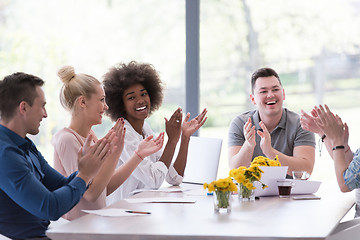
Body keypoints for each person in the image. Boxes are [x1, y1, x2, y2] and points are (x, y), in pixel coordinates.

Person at [0, 72, 114, 239]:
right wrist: (85, 174)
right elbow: (49, 207)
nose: (45, 114)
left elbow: (61, 184)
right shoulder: (5, 155)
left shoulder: (25, 144)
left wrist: (90, 165)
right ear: (23, 107)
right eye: (42, 106)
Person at [52, 66, 164, 220]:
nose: (106, 106)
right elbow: (90, 194)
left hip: (94, 224)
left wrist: (138, 155)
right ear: (83, 102)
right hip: (77, 229)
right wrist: (114, 153)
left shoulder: (90, 136)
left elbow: (104, 188)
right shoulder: (67, 139)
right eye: (102, 100)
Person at [103, 61, 207, 203]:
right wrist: (171, 141)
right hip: (122, 209)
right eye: (131, 97)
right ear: (120, 104)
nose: (140, 101)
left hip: (142, 209)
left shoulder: (145, 128)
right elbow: (155, 180)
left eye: (144, 94)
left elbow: (174, 177)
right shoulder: (123, 133)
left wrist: (184, 137)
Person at [228, 67, 316, 177]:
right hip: (251, 193)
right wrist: (249, 145)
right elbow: (234, 172)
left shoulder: (300, 124)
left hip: (289, 193)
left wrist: (270, 152)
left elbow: (305, 171)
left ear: (283, 94)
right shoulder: (240, 123)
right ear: (253, 99)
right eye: (263, 91)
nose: (270, 95)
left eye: (275, 90)